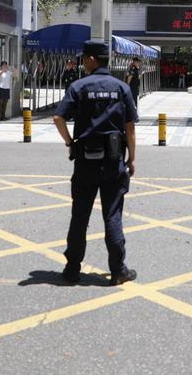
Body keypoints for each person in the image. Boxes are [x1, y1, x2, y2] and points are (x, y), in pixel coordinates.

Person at [53, 40, 138, 286]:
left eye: (84, 58)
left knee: (80, 216)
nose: (82, 63)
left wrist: (70, 142)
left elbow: (58, 118)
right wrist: (132, 158)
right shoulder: (121, 88)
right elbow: (130, 128)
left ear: (92, 59)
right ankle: (118, 270)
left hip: (85, 162)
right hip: (113, 162)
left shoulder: (78, 86)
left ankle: (72, 269)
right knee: (112, 215)